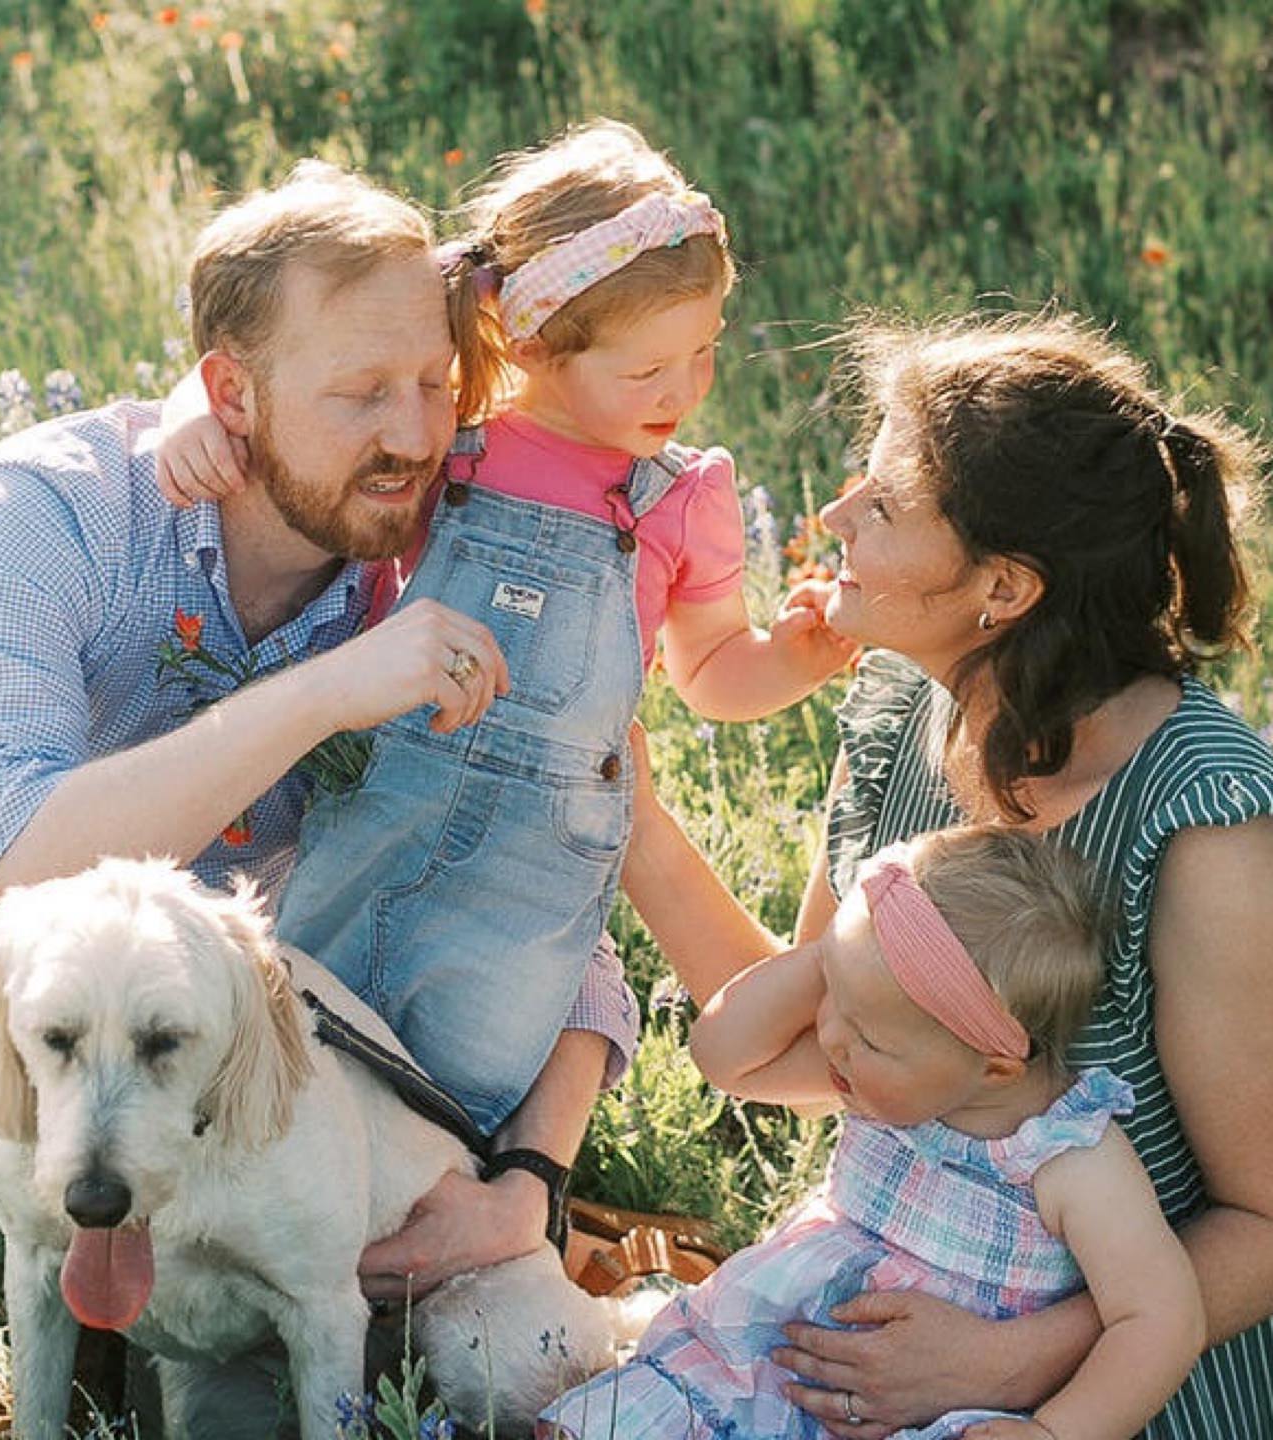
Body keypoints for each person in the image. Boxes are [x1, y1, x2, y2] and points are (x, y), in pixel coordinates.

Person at [0, 162, 643, 1337]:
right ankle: (81, 1283)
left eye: (434, 386)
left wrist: (526, 1187)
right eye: (359, 395)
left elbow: (550, 899)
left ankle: (251, 1300)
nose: (411, 434)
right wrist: (322, 694)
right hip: (36, 1002)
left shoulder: (451, 555)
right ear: (229, 393)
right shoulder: (44, 515)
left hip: (268, 1038)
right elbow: (13, 878)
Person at [619, 313, 1273, 1438]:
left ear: (1003, 589)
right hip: (912, 1310)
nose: (832, 515)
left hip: (1131, 1375)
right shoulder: (902, 715)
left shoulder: (1210, 837)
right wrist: (628, 821)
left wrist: (1008, 1364)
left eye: (880, 505)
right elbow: (828, 1042)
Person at [154, 119, 855, 1134]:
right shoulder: (449, 441)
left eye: (701, 354)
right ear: (529, 340)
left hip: (538, 862)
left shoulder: (678, 496)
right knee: (292, 1036)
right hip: (381, 801)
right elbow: (298, 354)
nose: (683, 391)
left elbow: (707, 674)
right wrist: (192, 411)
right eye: (644, 370)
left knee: (458, 1093)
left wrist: (794, 657)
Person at [542, 827, 1205, 1440]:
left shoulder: (1069, 1160)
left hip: (909, 1414)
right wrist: (838, 961)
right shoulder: (884, 1080)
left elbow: (1160, 1319)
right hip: (753, 1370)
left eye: (867, 1036)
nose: (831, 1037)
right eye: (833, 1000)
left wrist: (1055, 1433)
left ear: (995, 1068)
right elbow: (723, 1055)